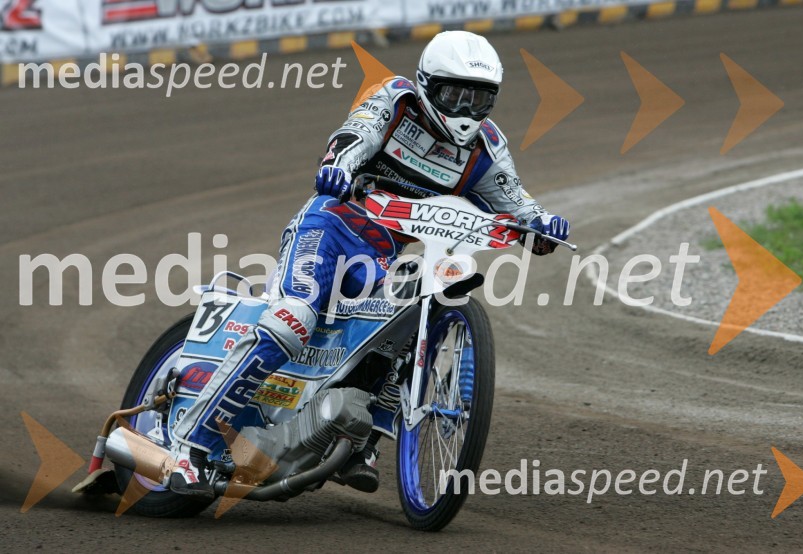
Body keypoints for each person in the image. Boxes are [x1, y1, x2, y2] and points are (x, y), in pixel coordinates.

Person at [167, 30, 571, 498]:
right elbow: (356, 134)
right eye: (456, 94)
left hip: (380, 254)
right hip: (331, 228)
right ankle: (189, 448)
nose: (465, 109)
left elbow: (516, 200)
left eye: (479, 98)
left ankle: (358, 437)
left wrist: (542, 226)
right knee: (292, 321)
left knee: (402, 318)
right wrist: (339, 163)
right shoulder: (395, 100)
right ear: (427, 84)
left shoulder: (487, 145)